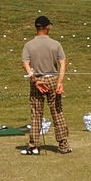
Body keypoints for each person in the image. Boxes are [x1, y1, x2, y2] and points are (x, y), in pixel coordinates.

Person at [21, 15, 71, 155]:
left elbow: (26, 63)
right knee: (57, 112)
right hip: (53, 79)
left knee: (36, 113)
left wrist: (35, 80)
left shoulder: (28, 45)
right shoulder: (56, 44)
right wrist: (60, 82)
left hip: (37, 80)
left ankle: (34, 146)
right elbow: (62, 63)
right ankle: (64, 146)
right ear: (47, 27)